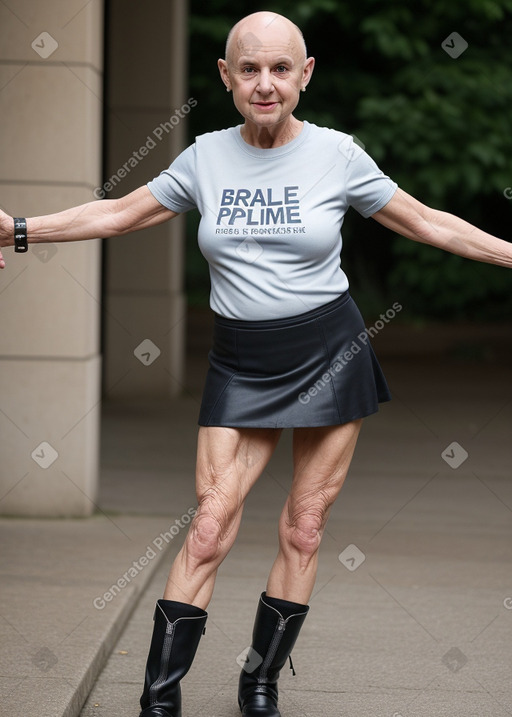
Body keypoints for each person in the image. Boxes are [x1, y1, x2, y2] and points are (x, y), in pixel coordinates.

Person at [1, 10, 511, 717]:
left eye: (280, 68)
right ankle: (159, 697)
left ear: (304, 74)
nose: (265, 83)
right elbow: (117, 214)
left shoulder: (338, 154)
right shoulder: (204, 157)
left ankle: (261, 679)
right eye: (250, 69)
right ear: (226, 77)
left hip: (330, 351)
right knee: (210, 524)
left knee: (305, 524)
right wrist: (22, 228)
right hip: (242, 359)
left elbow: (428, 222)